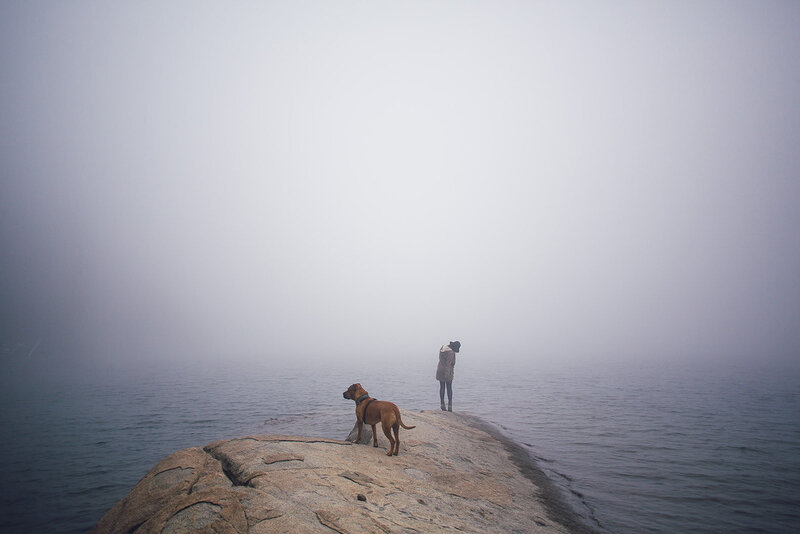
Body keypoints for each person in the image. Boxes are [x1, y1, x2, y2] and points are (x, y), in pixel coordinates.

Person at [436, 340, 460, 411]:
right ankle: (450, 406)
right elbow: (448, 364)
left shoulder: (442, 348)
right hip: (447, 371)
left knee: (442, 387)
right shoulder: (451, 353)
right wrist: (447, 375)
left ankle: (442, 404)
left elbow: (440, 359)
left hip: (440, 369)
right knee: (449, 388)